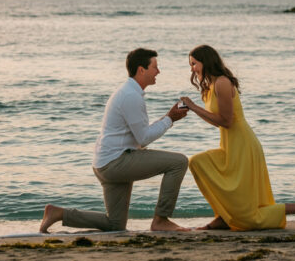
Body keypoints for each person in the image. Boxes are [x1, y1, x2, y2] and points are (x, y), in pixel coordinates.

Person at [40, 48, 190, 233]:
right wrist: (170, 119)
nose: (158, 72)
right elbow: (143, 139)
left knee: (115, 225)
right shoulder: (130, 96)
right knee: (179, 162)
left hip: (105, 163)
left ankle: (59, 213)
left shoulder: (129, 92)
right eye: (155, 67)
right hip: (116, 162)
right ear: (141, 70)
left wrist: (168, 117)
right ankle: (161, 220)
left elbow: (140, 132)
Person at [180, 44, 295, 231]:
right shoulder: (212, 85)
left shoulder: (222, 82)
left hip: (243, 146)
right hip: (230, 145)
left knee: (248, 219)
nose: (192, 69)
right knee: (197, 162)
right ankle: (223, 216)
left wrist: (193, 106)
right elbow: (218, 122)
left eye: (194, 64)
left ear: (205, 61)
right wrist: (192, 109)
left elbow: (227, 121)